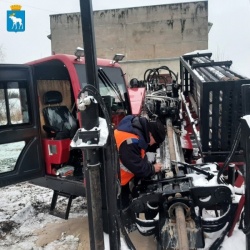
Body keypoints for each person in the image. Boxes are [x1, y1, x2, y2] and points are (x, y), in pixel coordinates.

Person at [114, 115, 166, 208]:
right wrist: (152, 168)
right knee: (122, 209)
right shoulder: (129, 142)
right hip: (114, 182)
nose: (152, 144)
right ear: (150, 134)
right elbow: (137, 166)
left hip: (120, 179)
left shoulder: (134, 132)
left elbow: (138, 157)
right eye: (154, 141)